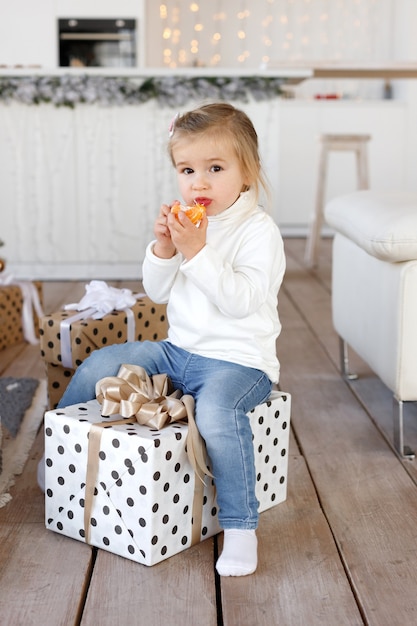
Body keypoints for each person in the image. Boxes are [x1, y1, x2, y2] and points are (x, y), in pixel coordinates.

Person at [38, 102, 286, 576]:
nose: (199, 182)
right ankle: (60, 455)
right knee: (102, 362)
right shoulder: (191, 222)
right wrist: (165, 249)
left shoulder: (259, 231)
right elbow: (155, 291)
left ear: (248, 171)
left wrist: (195, 252)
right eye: (187, 169)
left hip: (239, 362)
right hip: (178, 351)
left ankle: (239, 526)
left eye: (216, 168)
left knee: (216, 414)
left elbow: (240, 301)